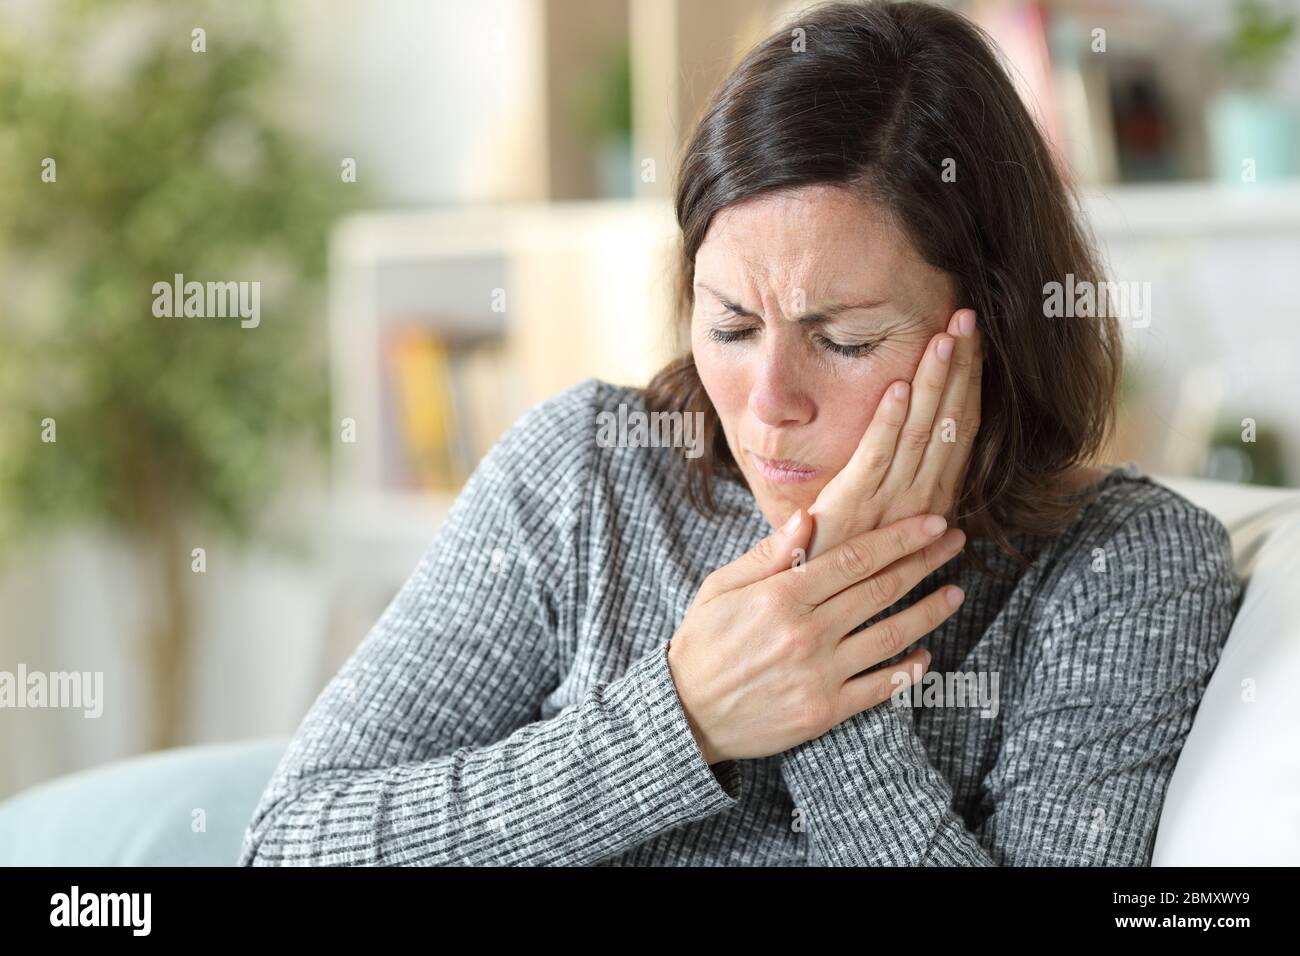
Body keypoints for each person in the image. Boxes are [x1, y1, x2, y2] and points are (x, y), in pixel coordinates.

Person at [239, 0, 1240, 866]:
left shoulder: (1118, 568)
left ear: (992, 326)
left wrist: (822, 673)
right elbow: (287, 842)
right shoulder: (588, 472)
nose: (766, 399)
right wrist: (680, 718)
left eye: (840, 339)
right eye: (728, 324)